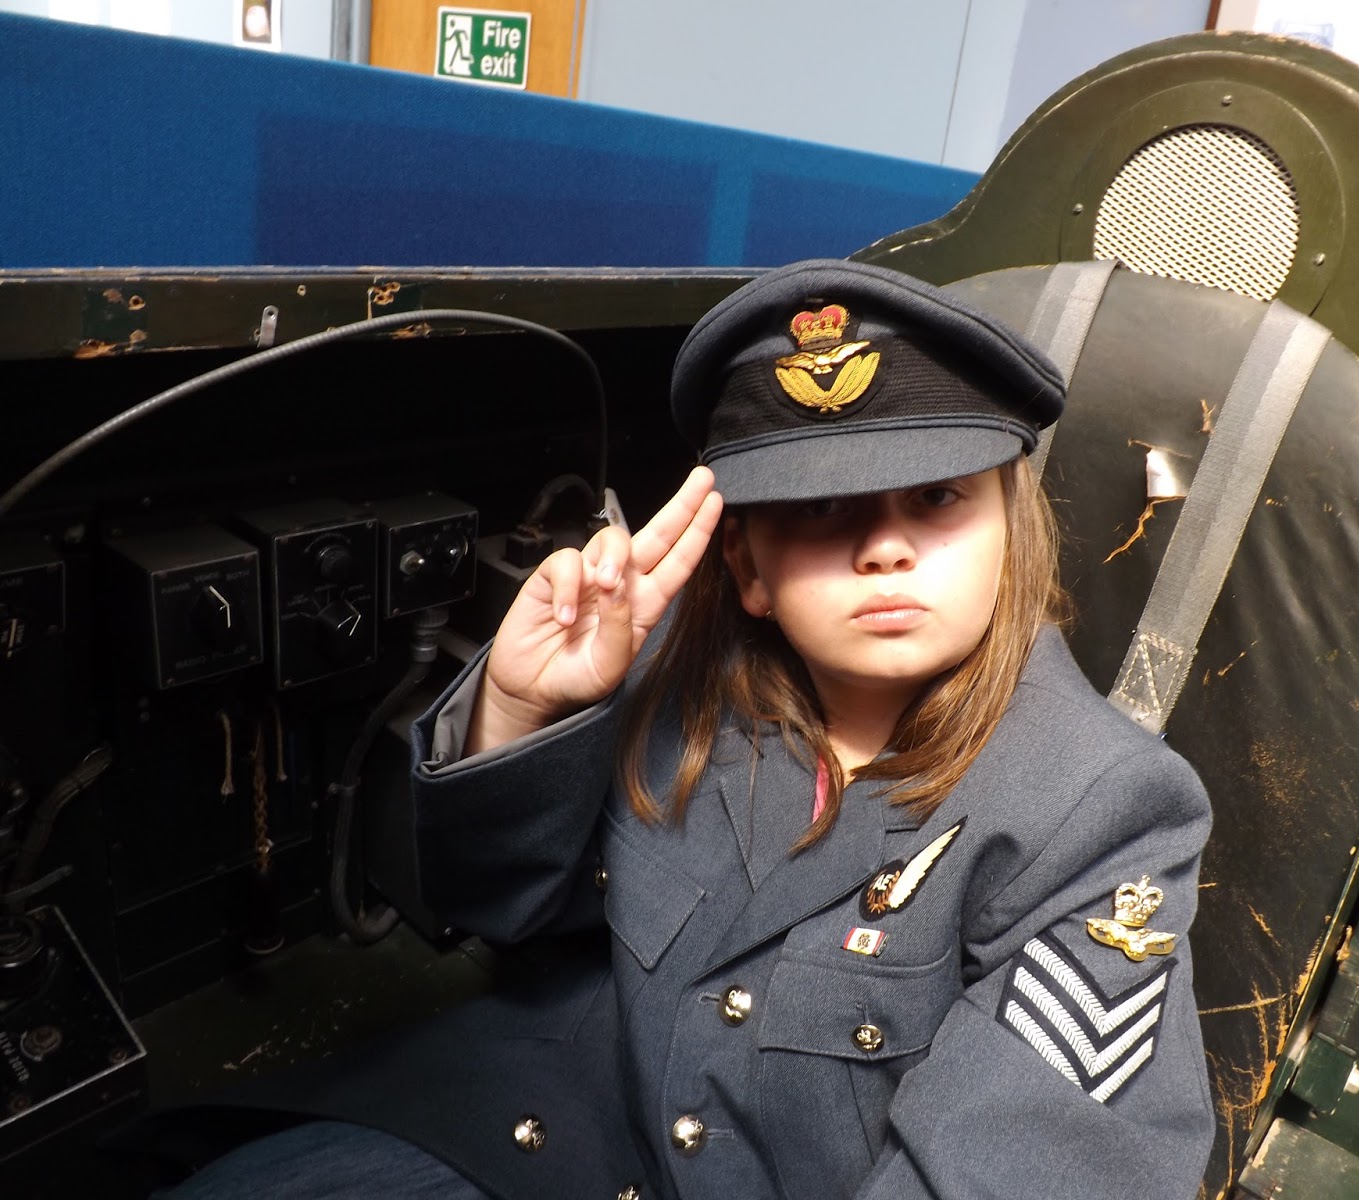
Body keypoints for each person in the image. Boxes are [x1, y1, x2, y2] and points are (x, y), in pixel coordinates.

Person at [160, 259, 1214, 1199]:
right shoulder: (682, 671)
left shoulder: (1101, 809)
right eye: (822, 508)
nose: (885, 549)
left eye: (938, 497)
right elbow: (499, 908)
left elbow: (1015, 1168)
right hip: (536, 1122)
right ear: (748, 570)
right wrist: (523, 713)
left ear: (1008, 530)